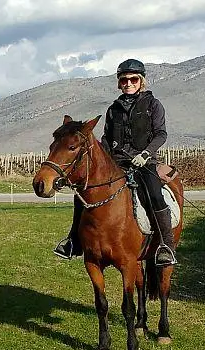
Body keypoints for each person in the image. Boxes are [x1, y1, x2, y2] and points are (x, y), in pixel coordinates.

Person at [54, 59, 177, 266]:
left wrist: (146, 154)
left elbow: (161, 134)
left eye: (133, 79)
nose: (128, 83)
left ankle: (166, 245)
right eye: (124, 80)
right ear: (119, 83)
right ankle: (73, 240)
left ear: (141, 81)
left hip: (144, 162)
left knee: (154, 193)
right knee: (82, 195)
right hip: (118, 163)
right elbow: (106, 139)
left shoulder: (153, 105)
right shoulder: (114, 109)